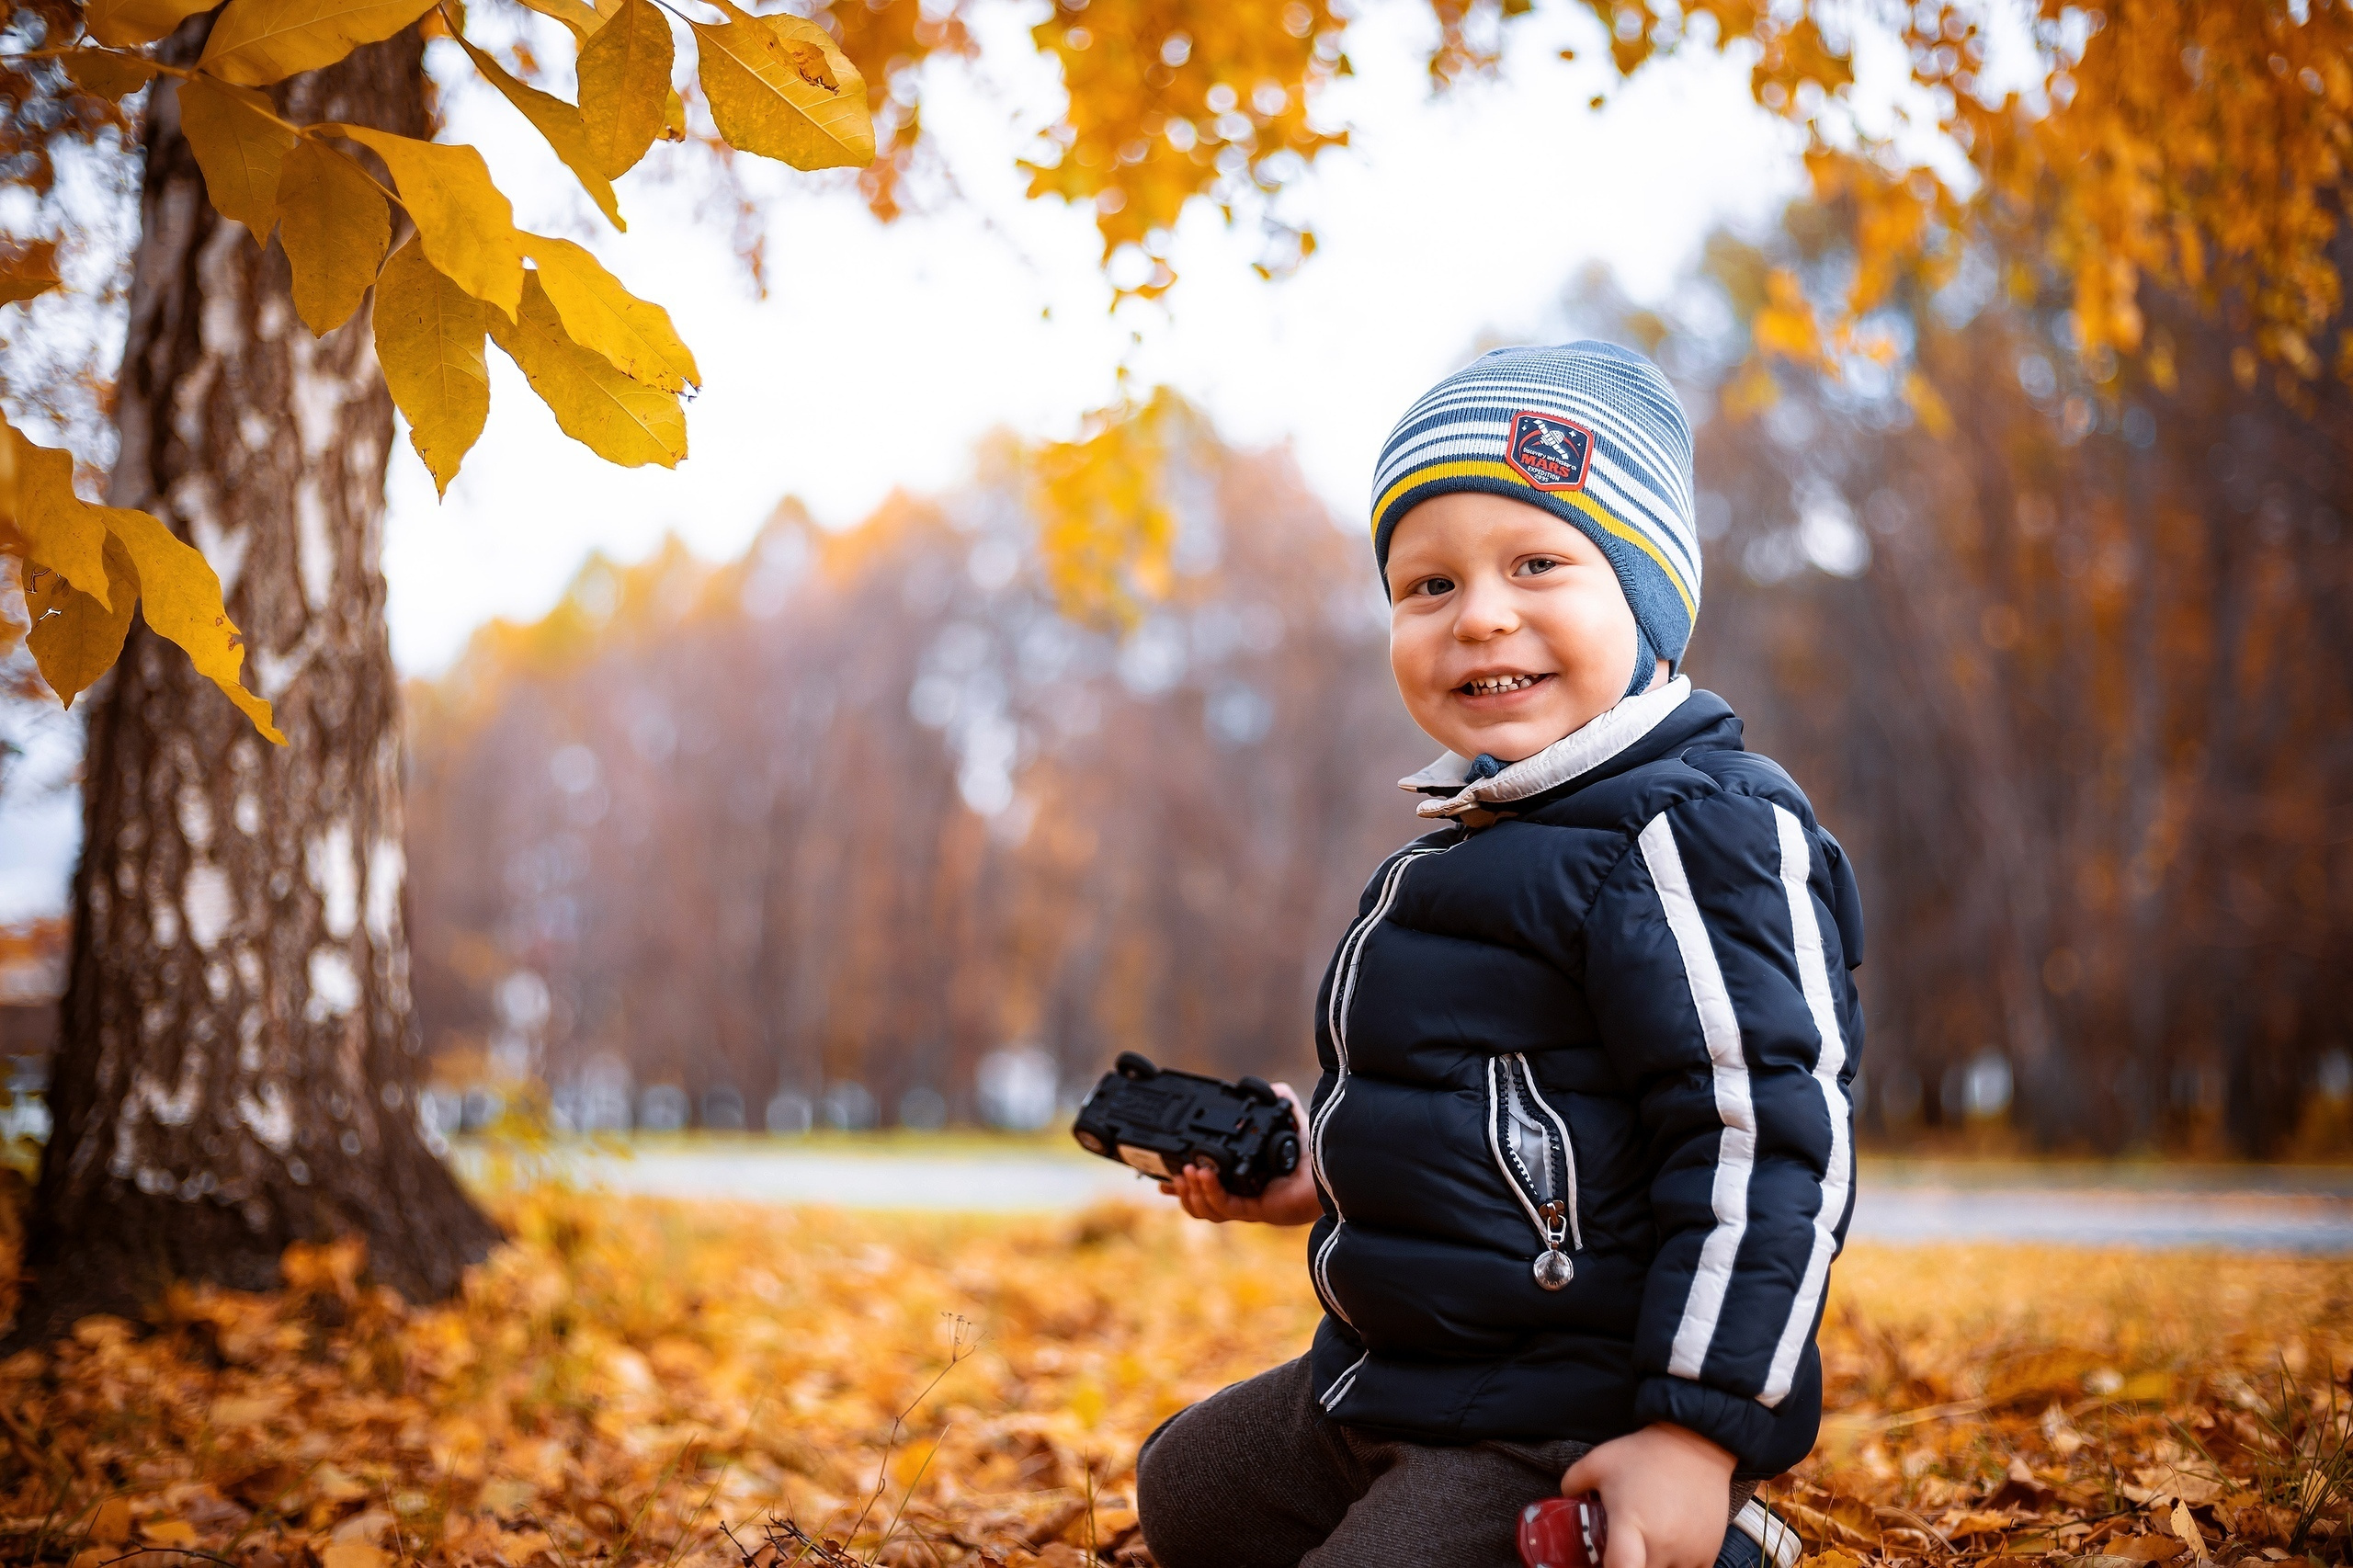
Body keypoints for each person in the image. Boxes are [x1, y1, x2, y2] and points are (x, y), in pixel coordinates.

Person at [1132, 343, 1862, 1568]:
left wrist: (1695, 1430)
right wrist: (1314, 1162)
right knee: (1187, 1491)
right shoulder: (1470, 837)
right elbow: (1494, 1118)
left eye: (1538, 564)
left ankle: (1688, 1536)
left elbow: (1764, 1138)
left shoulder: (1693, 827)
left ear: (1649, 597)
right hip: (1399, 1374)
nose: (1479, 613)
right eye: (1427, 586)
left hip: (1560, 1404)